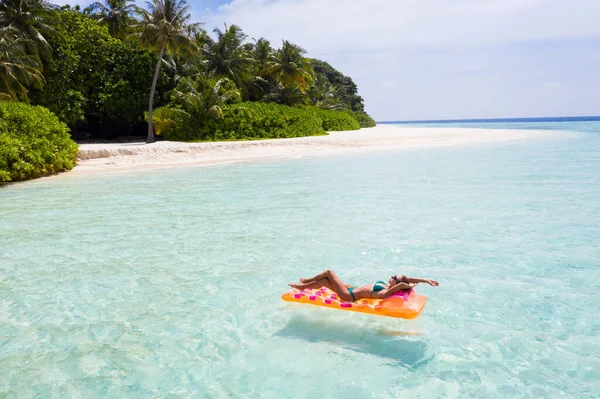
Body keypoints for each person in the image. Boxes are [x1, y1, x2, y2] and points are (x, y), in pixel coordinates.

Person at [289, 269, 439, 302]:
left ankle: (304, 283)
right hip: (351, 288)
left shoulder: (384, 293)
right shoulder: (389, 286)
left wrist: (405, 285)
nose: (392, 276)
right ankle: (305, 284)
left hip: (348, 296)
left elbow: (402, 285)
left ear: (396, 284)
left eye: (395, 277)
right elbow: (407, 280)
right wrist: (426, 279)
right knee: (324, 282)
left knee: (329, 272)